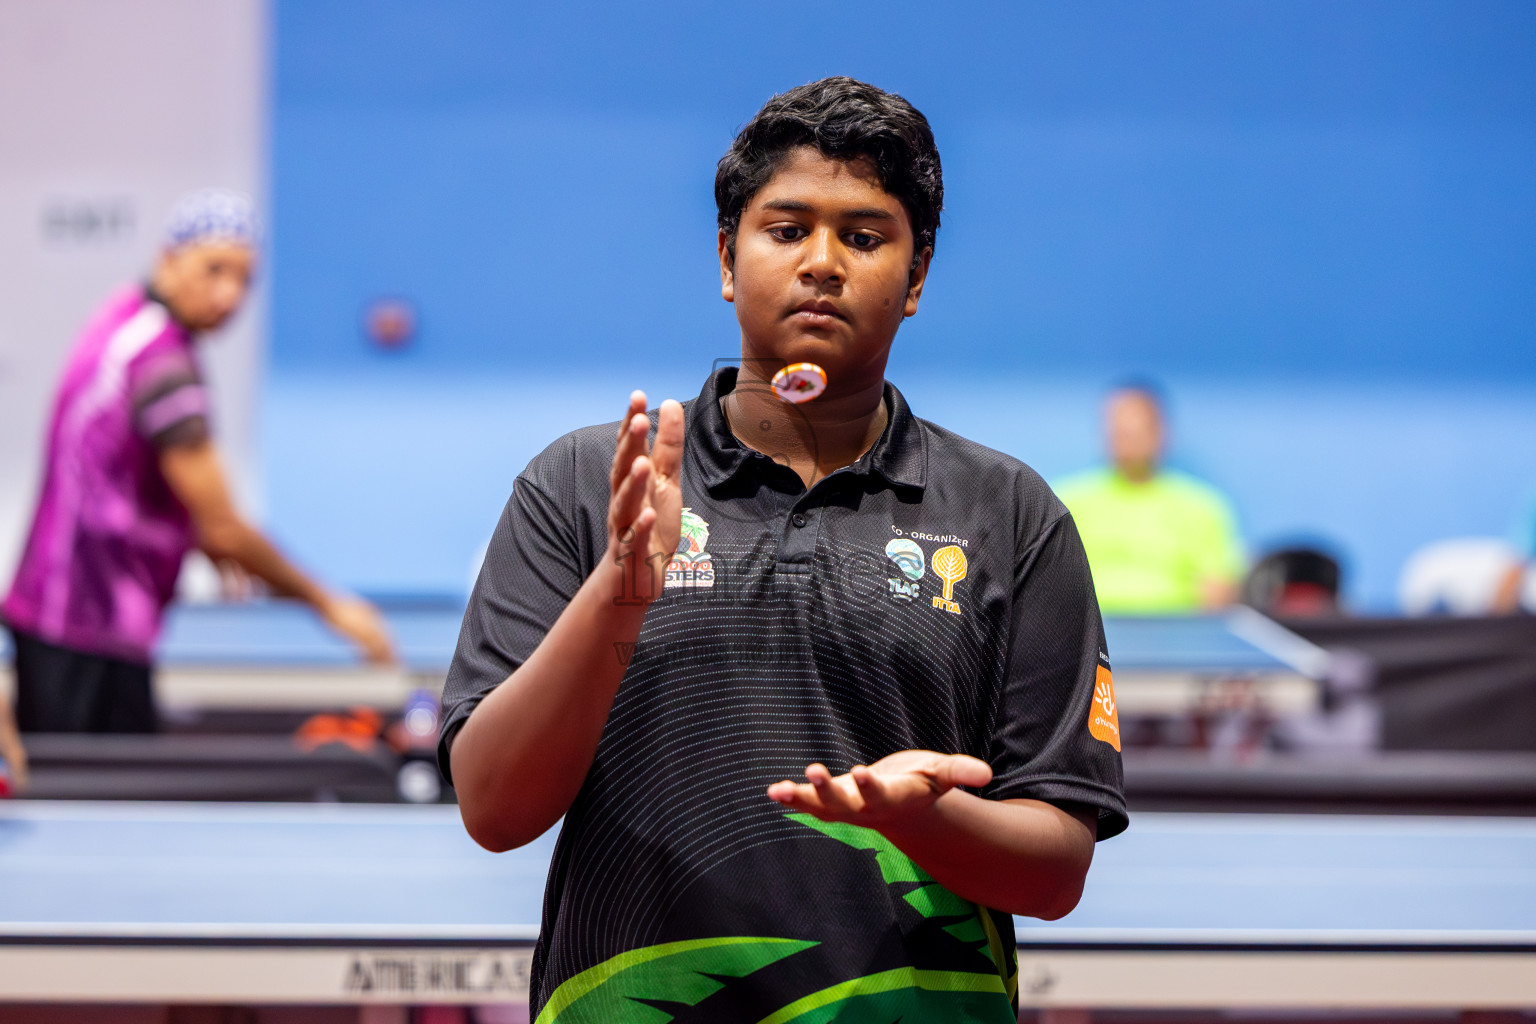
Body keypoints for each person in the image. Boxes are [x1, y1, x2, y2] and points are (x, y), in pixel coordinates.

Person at [441, 78, 1126, 1022]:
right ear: (728, 259)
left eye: (865, 236)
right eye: (786, 228)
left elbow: (1056, 874)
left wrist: (923, 820)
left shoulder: (1009, 513)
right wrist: (619, 593)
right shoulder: (587, 483)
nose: (823, 262)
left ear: (917, 276)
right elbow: (493, 810)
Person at [2, 189, 394, 735]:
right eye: (213, 270)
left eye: (244, 279)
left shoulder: (121, 320)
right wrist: (334, 609)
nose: (229, 295)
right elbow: (225, 528)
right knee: (101, 807)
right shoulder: (163, 363)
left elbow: (119, 471)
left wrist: (194, 531)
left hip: (56, 616)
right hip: (85, 629)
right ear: (169, 259)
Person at [1055, 383, 1245, 615]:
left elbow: (1219, 591)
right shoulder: (1066, 501)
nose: (1130, 439)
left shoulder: (1204, 507)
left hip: (1177, 634)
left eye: (1139, 429)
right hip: (1087, 632)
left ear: (1162, 433)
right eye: (1121, 430)